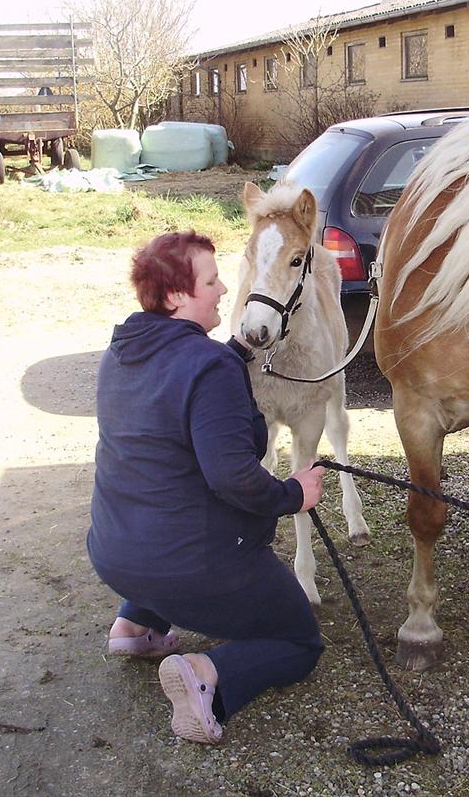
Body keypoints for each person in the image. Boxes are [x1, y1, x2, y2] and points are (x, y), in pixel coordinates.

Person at [87, 229, 327, 744]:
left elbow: (187, 379)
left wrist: (234, 351)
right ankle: (206, 674)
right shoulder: (208, 369)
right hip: (191, 567)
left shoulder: (122, 354)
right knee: (299, 638)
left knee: (162, 514)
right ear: (176, 296)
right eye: (212, 281)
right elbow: (234, 477)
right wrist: (293, 494)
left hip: (115, 554)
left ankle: (134, 626)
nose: (223, 291)